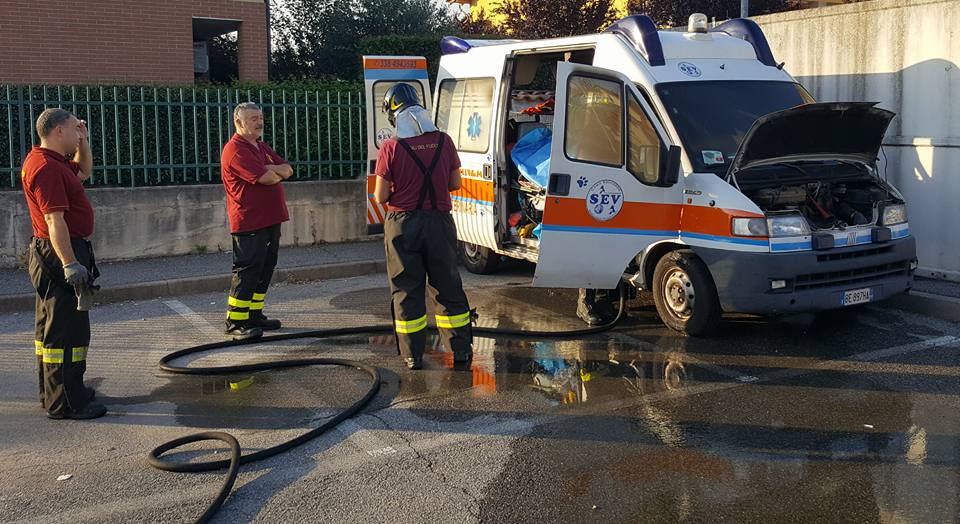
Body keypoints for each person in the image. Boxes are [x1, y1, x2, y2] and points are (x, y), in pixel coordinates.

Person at [374, 83, 473, 370]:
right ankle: (461, 351)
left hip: (403, 224)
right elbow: (455, 183)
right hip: (440, 223)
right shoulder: (444, 141)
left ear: (394, 115)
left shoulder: (391, 148)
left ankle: (412, 355)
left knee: (407, 289)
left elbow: (380, 196)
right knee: (448, 286)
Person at [21, 108, 106, 419]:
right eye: (74, 129)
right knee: (67, 331)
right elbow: (54, 220)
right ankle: (67, 403)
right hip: (59, 253)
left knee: (52, 327)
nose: (78, 133)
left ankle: (57, 391)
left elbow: (84, 171)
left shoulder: (53, 162)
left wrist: (83, 142)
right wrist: (70, 264)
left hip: (52, 252)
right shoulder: (47, 168)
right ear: (57, 132)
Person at [220, 102, 292, 340]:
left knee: (265, 266)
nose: (259, 122)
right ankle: (235, 321)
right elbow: (269, 178)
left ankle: (253, 314)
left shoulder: (260, 147)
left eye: (260, 117)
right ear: (238, 122)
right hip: (249, 220)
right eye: (253, 118)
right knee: (248, 268)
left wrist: (270, 166)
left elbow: (288, 170)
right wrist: (272, 169)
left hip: (271, 218)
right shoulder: (236, 150)